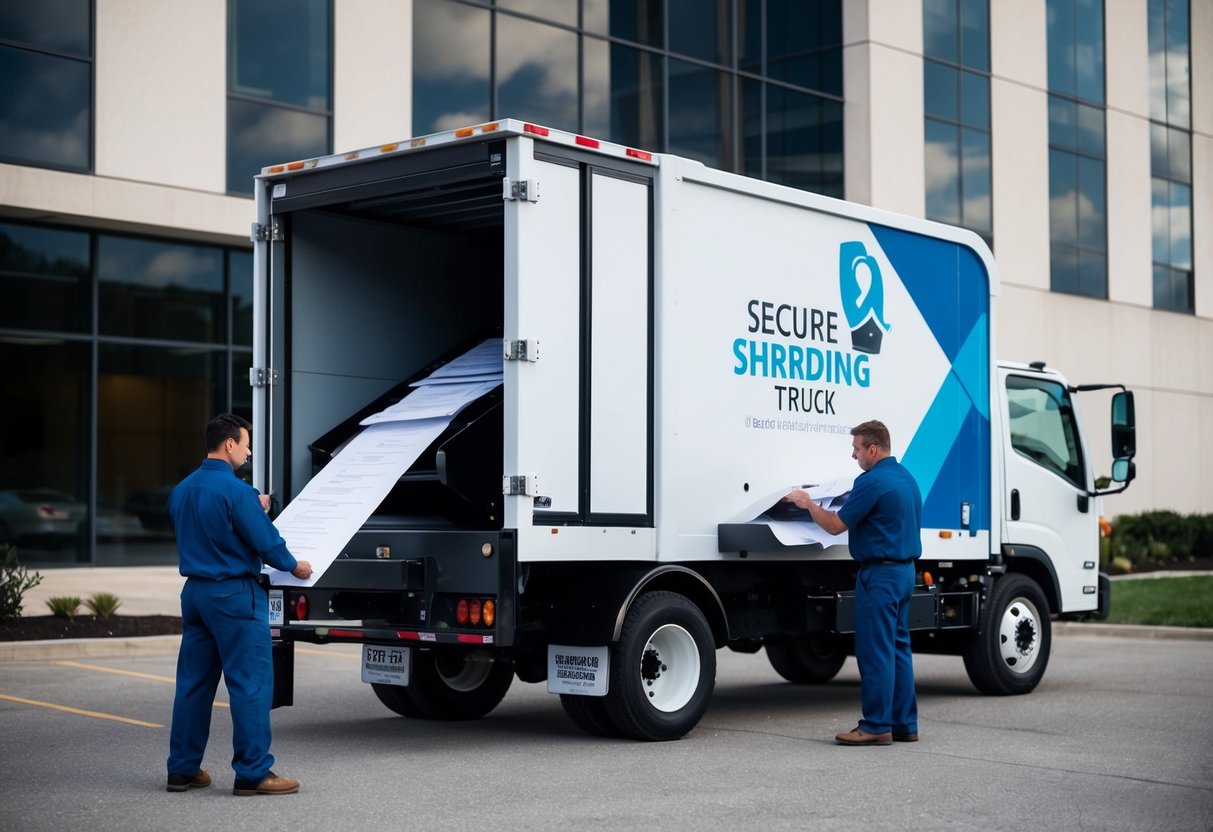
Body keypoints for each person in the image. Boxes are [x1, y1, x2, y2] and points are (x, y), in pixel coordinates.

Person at [165, 413, 313, 794]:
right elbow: (266, 544)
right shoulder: (237, 493)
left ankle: (182, 769)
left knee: (193, 684)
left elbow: (213, 527)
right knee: (250, 684)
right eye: (245, 445)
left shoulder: (181, 489)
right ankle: (253, 773)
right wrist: (294, 566)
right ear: (229, 444)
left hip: (195, 594)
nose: (248, 453)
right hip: (234, 595)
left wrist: (253, 505)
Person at [784, 419, 922, 746]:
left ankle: (875, 725)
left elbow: (834, 525)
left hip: (880, 576)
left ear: (872, 449)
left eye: (856, 449)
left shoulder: (871, 482)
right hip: (905, 573)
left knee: (876, 653)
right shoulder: (908, 479)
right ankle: (905, 724)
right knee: (899, 650)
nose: (854, 456)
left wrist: (807, 503)